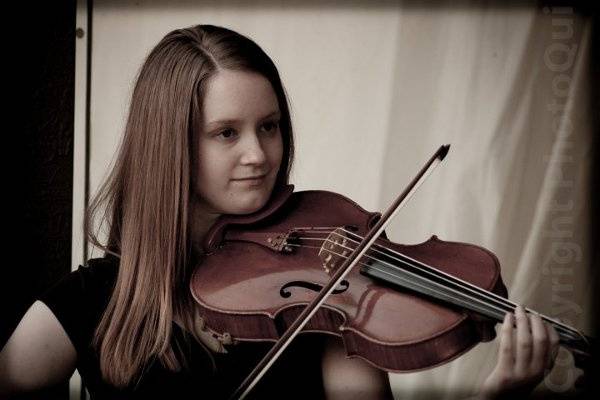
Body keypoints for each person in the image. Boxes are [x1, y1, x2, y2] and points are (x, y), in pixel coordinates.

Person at [0, 24, 560, 400]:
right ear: (167, 147)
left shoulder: (322, 311)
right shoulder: (89, 301)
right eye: (226, 133)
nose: (260, 154)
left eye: (269, 126)